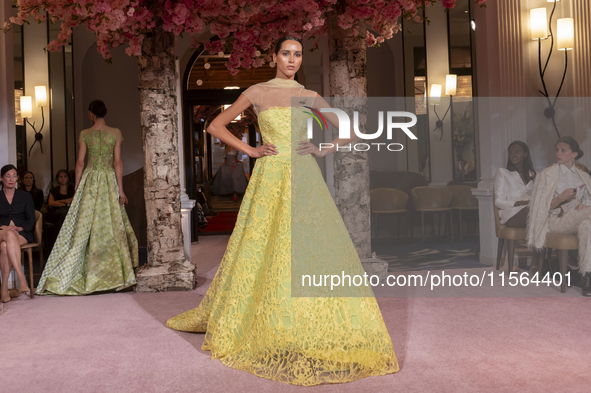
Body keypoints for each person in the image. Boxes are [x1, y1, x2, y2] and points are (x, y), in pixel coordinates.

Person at [166, 36, 398, 385]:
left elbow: (350, 130)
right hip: (270, 176)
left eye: (298, 55)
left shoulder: (308, 94)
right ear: (274, 56)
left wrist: (322, 148)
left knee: (308, 247)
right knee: (265, 246)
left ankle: (305, 317)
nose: (292, 60)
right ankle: (268, 318)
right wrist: (251, 149)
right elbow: (216, 126)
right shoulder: (256, 92)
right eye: (286, 54)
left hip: (304, 177)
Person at [36, 100, 138, 295]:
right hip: (108, 180)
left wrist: (76, 190)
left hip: (90, 180)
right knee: (111, 224)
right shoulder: (115, 132)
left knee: (84, 225)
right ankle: (115, 274)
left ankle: (79, 271)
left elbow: (80, 163)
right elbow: (117, 162)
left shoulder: (85, 133)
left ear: (91, 114)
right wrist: (121, 190)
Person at [527, 137, 591, 296]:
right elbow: (540, 208)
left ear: (574, 154)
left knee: (587, 226)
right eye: (557, 150)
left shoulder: (583, 176)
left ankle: (587, 278)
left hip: (581, 217)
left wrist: (586, 205)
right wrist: (561, 197)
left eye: (563, 150)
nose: (558, 153)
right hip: (557, 218)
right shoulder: (547, 174)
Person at [0, 164, 34, 302]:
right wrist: (2, 226)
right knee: (8, 233)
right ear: (1, 178)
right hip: (1, 231)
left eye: (14, 176)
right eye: (8, 176)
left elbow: (31, 219)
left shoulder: (25, 196)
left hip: (21, 233)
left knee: (4, 247)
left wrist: (20, 228)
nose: (11, 179)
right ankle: (22, 278)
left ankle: (3, 290)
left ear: (17, 178)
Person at [494, 141, 536, 228]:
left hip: (531, 208)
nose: (514, 155)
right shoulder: (502, 172)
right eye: (511, 152)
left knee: (549, 210)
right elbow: (498, 201)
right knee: (536, 211)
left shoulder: (533, 174)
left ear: (525, 154)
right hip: (512, 213)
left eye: (518, 152)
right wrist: (518, 203)